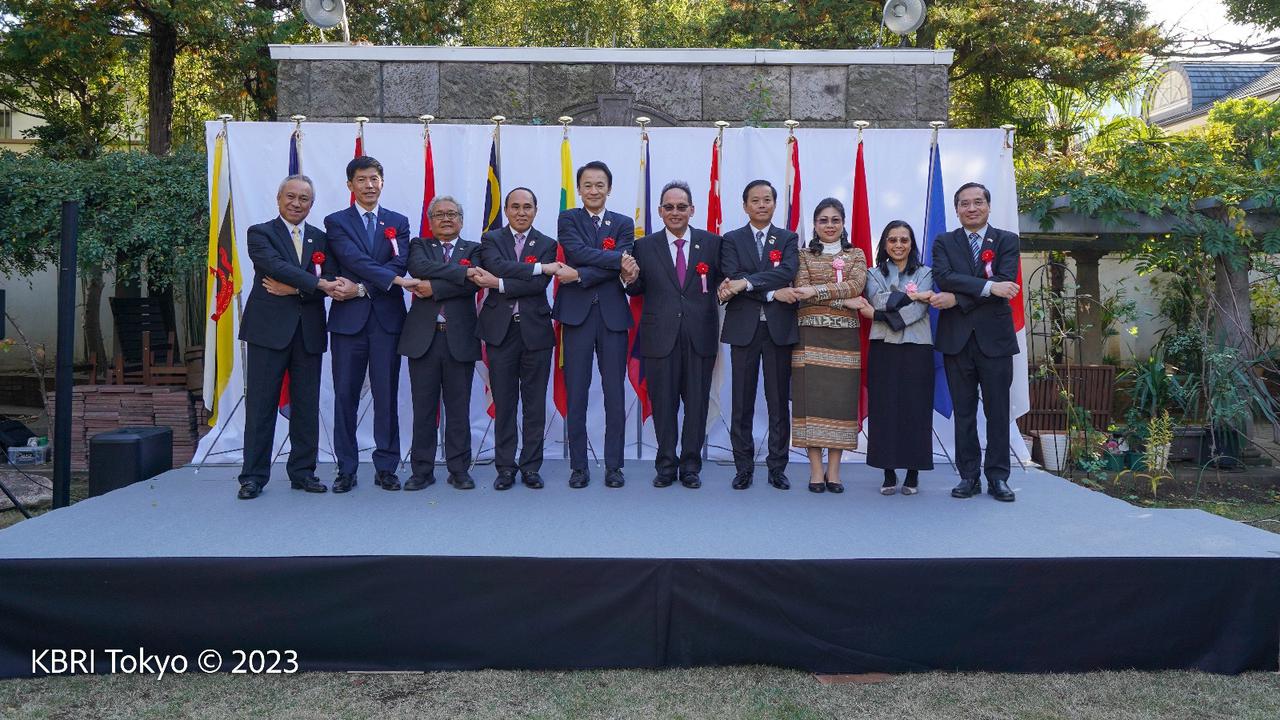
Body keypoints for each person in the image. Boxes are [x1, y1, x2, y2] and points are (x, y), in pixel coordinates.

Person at [235, 175, 353, 500]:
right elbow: (272, 266)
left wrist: (296, 288)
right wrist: (315, 286)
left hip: (308, 333)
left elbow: (330, 278)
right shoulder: (260, 233)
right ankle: (253, 477)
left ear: (311, 205)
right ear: (279, 198)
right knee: (261, 406)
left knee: (306, 406)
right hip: (268, 332)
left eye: (304, 199)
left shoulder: (320, 238)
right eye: (291, 196)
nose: (297, 203)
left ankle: (303, 472)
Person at [324, 156, 420, 494]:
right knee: (345, 397)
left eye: (375, 179)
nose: (369, 185)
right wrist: (389, 280)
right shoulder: (335, 222)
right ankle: (346, 469)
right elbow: (352, 258)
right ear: (350, 185)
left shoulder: (398, 222)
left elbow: (401, 261)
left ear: (382, 182)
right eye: (362, 179)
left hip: (387, 322)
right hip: (348, 323)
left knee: (386, 396)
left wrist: (363, 286)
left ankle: (386, 467)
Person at [478, 187, 579, 491]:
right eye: (515, 207)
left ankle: (531, 467)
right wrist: (533, 269)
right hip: (500, 332)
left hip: (535, 332)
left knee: (534, 404)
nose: (521, 212)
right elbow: (497, 265)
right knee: (505, 403)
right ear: (506, 210)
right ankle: (505, 468)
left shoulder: (548, 244)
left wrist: (498, 284)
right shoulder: (491, 239)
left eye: (527, 207)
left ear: (536, 210)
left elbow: (537, 286)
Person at [624, 181, 722, 489]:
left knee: (696, 405)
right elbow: (637, 289)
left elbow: (724, 281)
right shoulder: (644, 246)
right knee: (663, 404)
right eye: (669, 207)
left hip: (700, 336)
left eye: (682, 207)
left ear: (692, 210)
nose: (675, 212)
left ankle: (691, 465)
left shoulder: (712, 243)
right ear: (660, 211)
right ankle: (666, 463)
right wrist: (628, 279)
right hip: (658, 338)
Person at [397, 196, 497, 490]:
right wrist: (461, 273)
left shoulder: (474, 249)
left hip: (460, 339)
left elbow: (473, 284)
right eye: (439, 214)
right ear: (430, 221)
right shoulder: (419, 246)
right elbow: (417, 268)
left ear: (461, 221)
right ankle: (422, 471)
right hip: (423, 341)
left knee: (458, 409)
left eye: (452, 214)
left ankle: (459, 469)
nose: (446, 218)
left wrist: (434, 286)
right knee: (423, 408)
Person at [930, 182, 1020, 502]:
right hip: (957, 341)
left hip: (995, 341)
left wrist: (959, 299)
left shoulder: (1007, 241)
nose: (972, 208)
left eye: (977, 202)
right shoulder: (944, 241)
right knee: (964, 412)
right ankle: (969, 475)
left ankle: (998, 477)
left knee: (997, 412)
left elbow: (1005, 282)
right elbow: (944, 277)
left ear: (988, 206)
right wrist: (987, 289)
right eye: (964, 204)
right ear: (956, 209)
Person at [554, 161, 636, 489]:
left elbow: (615, 259)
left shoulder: (624, 223)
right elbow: (575, 251)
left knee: (614, 393)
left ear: (609, 188)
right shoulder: (568, 218)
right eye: (588, 185)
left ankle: (614, 466)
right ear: (579, 188)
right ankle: (579, 467)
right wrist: (614, 261)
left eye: (600, 185)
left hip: (613, 318)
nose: (593, 190)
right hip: (576, 316)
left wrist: (581, 274)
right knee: (577, 394)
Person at [717, 179, 800, 490]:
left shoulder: (788, 238)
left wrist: (748, 285)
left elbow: (786, 272)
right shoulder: (731, 239)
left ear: (775, 204)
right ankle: (744, 467)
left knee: (778, 402)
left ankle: (777, 467)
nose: (762, 205)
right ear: (745, 205)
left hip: (778, 330)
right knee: (742, 402)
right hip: (744, 330)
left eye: (767, 199)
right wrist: (770, 294)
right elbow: (732, 277)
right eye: (755, 200)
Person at [847, 221, 938, 495]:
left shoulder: (926, 272)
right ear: (884, 244)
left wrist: (878, 315)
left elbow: (919, 309)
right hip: (883, 348)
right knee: (884, 408)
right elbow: (877, 299)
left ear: (912, 244)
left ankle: (913, 472)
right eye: (892, 240)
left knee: (915, 408)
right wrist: (903, 299)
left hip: (917, 347)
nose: (898, 245)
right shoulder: (873, 274)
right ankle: (888, 472)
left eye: (904, 240)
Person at [787, 198, 867, 493]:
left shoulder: (857, 254)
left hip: (845, 338)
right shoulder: (803, 255)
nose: (830, 225)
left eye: (835, 220)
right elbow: (801, 293)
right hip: (809, 337)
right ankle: (815, 472)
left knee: (839, 405)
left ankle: (834, 472)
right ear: (815, 224)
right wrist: (843, 301)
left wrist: (818, 291)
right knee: (812, 403)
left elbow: (856, 287)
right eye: (823, 220)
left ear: (843, 223)